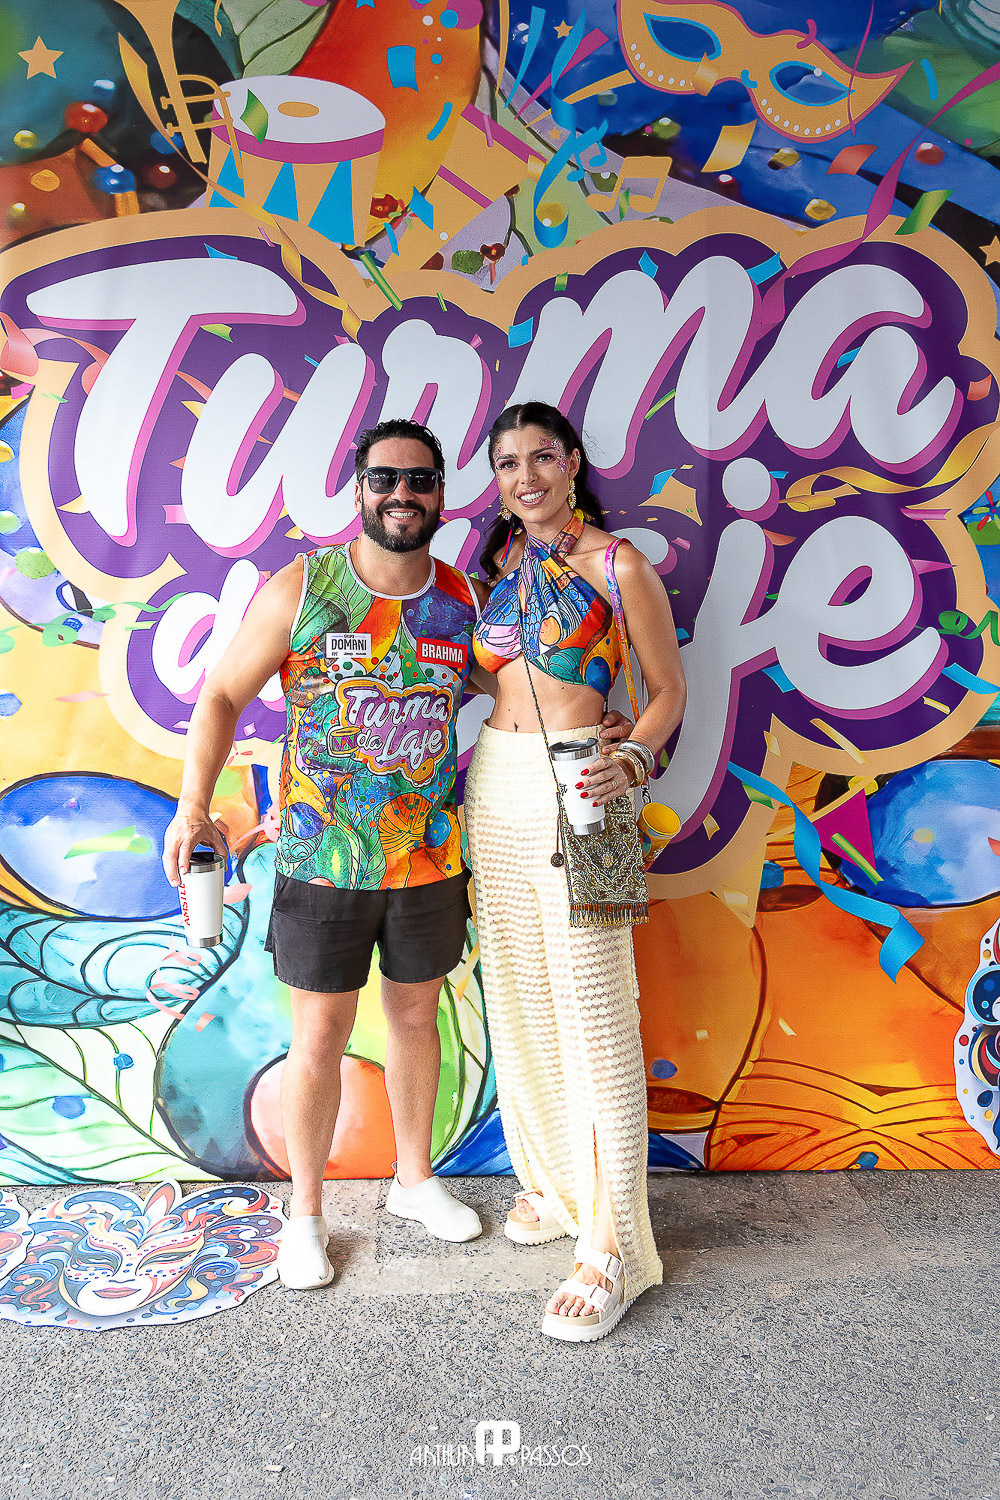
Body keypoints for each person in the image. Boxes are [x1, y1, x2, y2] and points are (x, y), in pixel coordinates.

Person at [162, 418, 488, 1290]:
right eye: (385, 479)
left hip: (426, 858)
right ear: (359, 491)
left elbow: (524, 694)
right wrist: (193, 806)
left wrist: (598, 718)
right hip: (321, 861)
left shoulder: (463, 600)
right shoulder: (308, 586)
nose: (402, 494)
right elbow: (222, 694)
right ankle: (304, 1217)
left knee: (416, 1020)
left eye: (419, 480)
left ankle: (415, 1181)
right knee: (319, 1037)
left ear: (442, 495)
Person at [465, 400, 687, 1342]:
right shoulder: (499, 570)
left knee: (596, 1012)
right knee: (519, 999)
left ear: (573, 463)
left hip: (584, 786)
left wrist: (631, 755)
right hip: (495, 786)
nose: (526, 477)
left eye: (542, 457)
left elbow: (668, 690)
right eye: (508, 462)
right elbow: (486, 678)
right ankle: (558, 1186)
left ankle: (613, 1246)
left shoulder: (618, 564)